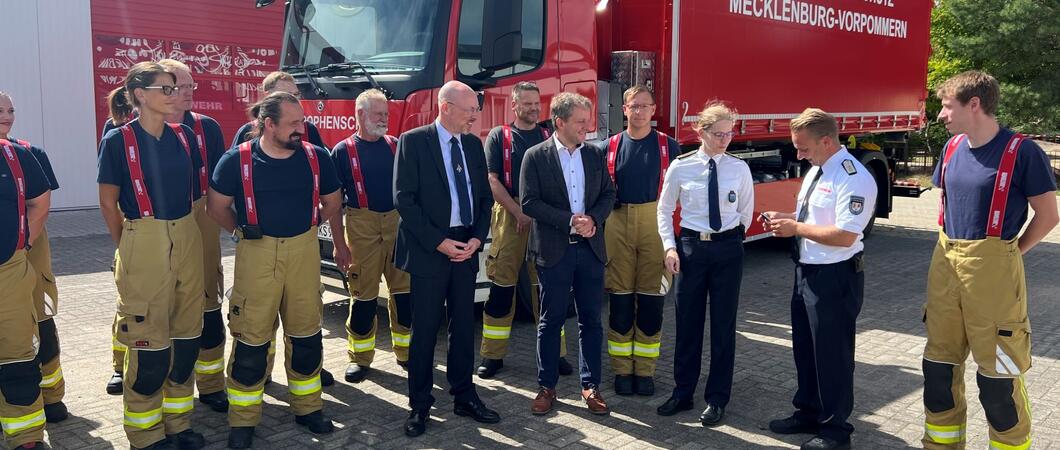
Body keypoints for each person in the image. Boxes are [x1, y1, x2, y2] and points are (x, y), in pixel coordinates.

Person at [920, 71, 1058, 450]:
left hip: (994, 275)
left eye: (948, 107)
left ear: (974, 104)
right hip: (945, 267)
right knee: (938, 372)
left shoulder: (1022, 152)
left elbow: (1048, 216)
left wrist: (1008, 255)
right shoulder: (950, 150)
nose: (942, 115)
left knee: (998, 383)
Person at [207, 92, 342, 449]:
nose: (302, 128)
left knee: (307, 337)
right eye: (293, 123)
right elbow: (217, 206)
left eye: (302, 121)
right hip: (257, 252)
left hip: (303, 252)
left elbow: (332, 201)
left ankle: (308, 408)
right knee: (251, 341)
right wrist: (240, 230)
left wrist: (308, 225)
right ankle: (243, 420)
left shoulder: (318, 158)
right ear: (268, 124)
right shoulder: (237, 160)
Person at [97, 62, 208, 450]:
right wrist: (129, 245)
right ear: (141, 95)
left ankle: (178, 425)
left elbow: (193, 194)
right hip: (143, 235)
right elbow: (108, 204)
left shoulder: (184, 137)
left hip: (186, 234)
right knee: (148, 345)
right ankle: (146, 435)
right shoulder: (117, 141)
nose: (175, 93)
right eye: (166, 87)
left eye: (175, 87)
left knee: (185, 339)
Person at [761, 108, 877, 450]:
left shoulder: (852, 176)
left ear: (826, 141)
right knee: (807, 350)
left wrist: (795, 228)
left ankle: (836, 431)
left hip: (836, 276)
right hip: (808, 271)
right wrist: (787, 218)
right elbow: (812, 215)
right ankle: (808, 412)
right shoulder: (818, 169)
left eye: (803, 147)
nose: (798, 154)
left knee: (833, 355)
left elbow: (844, 235)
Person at [394, 81, 499, 437]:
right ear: (446, 107)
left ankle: (464, 395)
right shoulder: (413, 141)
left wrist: (474, 238)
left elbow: (485, 199)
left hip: (466, 247)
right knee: (424, 329)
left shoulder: (472, 144)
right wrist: (439, 242)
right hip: (430, 249)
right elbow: (404, 200)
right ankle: (420, 405)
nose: (475, 115)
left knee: (463, 326)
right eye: (470, 109)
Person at [655, 101, 753, 426]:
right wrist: (670, 248)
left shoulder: (739, 168)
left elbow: (745, 213)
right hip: (691, 251)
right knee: (687, 325)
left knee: (723, 327)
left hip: (727, 251)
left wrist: (732, 240)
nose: (725, 139)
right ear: (701, 131)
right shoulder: (681, 166)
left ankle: (717, 398)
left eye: (730, 133)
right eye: (719, 133)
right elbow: (664, 210)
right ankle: (683, 393)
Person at [521, 92, 616, 416]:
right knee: (551, 322)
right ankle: (547, 387)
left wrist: (595, 219)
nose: (586, 128)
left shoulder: (593, 154)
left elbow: (608, 193)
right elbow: (529, 203)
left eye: (586, 122)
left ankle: (590, 386)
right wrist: (569, 220)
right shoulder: (535, 156)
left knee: (591, 320)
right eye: (579, 122)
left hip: (590, 250)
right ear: (559, 122)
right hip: (554, 251)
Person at [477, 81, 572, 379]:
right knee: (502, 287)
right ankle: (492, 356)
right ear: (514, 105)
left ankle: (556, 356)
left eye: (536, 103)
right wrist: (519, 212)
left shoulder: (550, 135)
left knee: (547, 288)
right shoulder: (499, 136)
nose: (533, 108)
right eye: (527, 103)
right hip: (509, 213)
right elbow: (493, 180)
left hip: (544, 216)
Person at [158, 59, 231, 413]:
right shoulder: (132, 131)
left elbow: (221, 184)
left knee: (207, 301)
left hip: (201, 220)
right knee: (156, 308)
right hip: (155, 226)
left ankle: (212, 384)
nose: (189, 92)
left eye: (191, 86)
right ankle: (151, 379)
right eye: (182, 86)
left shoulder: (208, 128)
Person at [328, 88, 412, 382]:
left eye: (386, 114)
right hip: (361, 227)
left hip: (397, 225)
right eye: (379, 114)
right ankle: (360, 358)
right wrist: (339, 245)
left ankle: (407, 354)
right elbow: (334, 203)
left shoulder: (395, 145)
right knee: (363, 298)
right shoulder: (342, 151)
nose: (384, 119)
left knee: (404, 296)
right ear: (360, 115)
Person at [603, 85, 681, 396]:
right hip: (617, 222)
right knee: (620, 300)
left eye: (644, 106)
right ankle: (622, 370)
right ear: (624, 110)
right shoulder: (607, 147)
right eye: (632, 106)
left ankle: (645, 371)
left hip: (655, 223)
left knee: (651, 301)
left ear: (653, 110)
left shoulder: (669, 146)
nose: (638, 112)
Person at [0, 92, 68, 425]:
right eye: (0, 110)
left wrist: (24, 244)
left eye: (11, 109)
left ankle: (52, 395)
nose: (7, 115)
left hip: (29, 247)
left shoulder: (29, 153)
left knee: (41, 319)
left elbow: (40, 205)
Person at [0, 116, 52, 450]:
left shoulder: (16, 156)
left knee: (17, 355)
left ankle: (26, 438)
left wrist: (23, 243)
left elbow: (39, 201)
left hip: (8, 269)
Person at [103, 85, 137, 396]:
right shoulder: (115, 132)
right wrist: (121, 241)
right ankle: (119, 365)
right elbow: (109, 197)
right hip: (133, 228)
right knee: (128, 304)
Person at [231, 71, 326, 149]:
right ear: (267, 95)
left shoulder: (309, 130)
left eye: (296, 94)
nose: (294, 99)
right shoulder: (248, 131)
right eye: (286, 94)